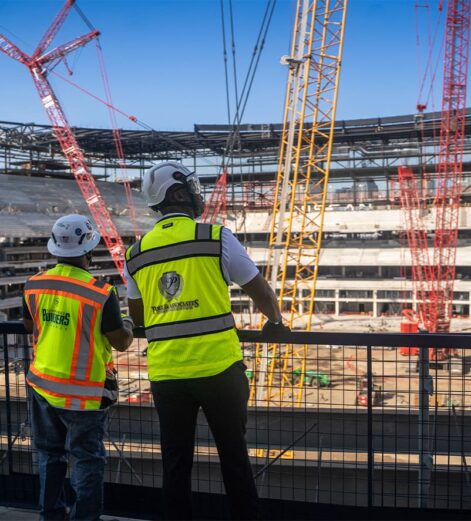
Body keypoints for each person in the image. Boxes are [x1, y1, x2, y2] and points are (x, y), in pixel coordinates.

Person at [124, 161, 288, 520]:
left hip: (167, 374)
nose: (198, 193)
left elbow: (138, 317)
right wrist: (275, 321)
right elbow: (258, 289)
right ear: (179, 194)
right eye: (193, 188)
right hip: (219, 370)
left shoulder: (135, 255)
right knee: (234, 461)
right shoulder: (215, 237)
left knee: (176, 465)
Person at [22, 214, 134, 521]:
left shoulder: (33, 285)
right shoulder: (100, 293)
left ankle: (51, 515)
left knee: (49, 455)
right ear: (89, 249)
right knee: (87, 460)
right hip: (84, 393)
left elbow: (30, 324)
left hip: (43, 385)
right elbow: (122, 342)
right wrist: (128, 322)